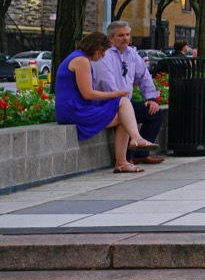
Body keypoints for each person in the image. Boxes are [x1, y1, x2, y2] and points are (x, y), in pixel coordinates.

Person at [57, 31, 160, 174]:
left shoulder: (78, 58)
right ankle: (131, 146)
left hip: (77, 107)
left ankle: (127, 155)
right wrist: (115, 94)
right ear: (96, 47)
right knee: (123, 104)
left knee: (124, 112)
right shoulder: (81, 61)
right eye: (102, 52)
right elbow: (88, 94)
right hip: (75, 111)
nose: (103, 56)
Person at [93, 20, 165, 166]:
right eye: (121, 35)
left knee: (155, 113)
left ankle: (141, 153)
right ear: (110, 38)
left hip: (125, 101)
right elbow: (106, 82)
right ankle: (127, 157)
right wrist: (121, 100)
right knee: (128, 112)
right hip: (108, 101)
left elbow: (143, 76)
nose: (126, 38)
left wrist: (151, 98)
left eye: (127, 34)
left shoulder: (132, 53)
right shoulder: (104, 55)